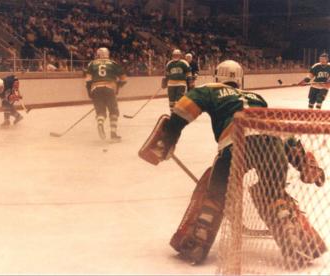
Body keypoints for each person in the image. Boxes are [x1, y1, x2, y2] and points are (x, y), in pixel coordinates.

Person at [139, 60, 326, 269]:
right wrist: (303, 163)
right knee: (272, 194)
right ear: (241, 78)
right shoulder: (257, 97)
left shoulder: (209, 90)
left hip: (234, 144)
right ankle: (294, 238)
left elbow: (182, 111)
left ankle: (197, 241)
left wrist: (167, 140)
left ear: (218, 76)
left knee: (215, 194)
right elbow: (281, 134)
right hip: (272, 144)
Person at [85, 47, 127, 142]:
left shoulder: (92, 64)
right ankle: (113, 134)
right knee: (114, 111)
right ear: (108, 54)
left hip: (95, 89)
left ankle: (100, 123)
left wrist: (89, 92)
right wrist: (117, 86)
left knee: (100, 112)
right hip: (109, 88)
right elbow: (124, 79)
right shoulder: (113, 64)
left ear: (98, 55)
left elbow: (88, 80)